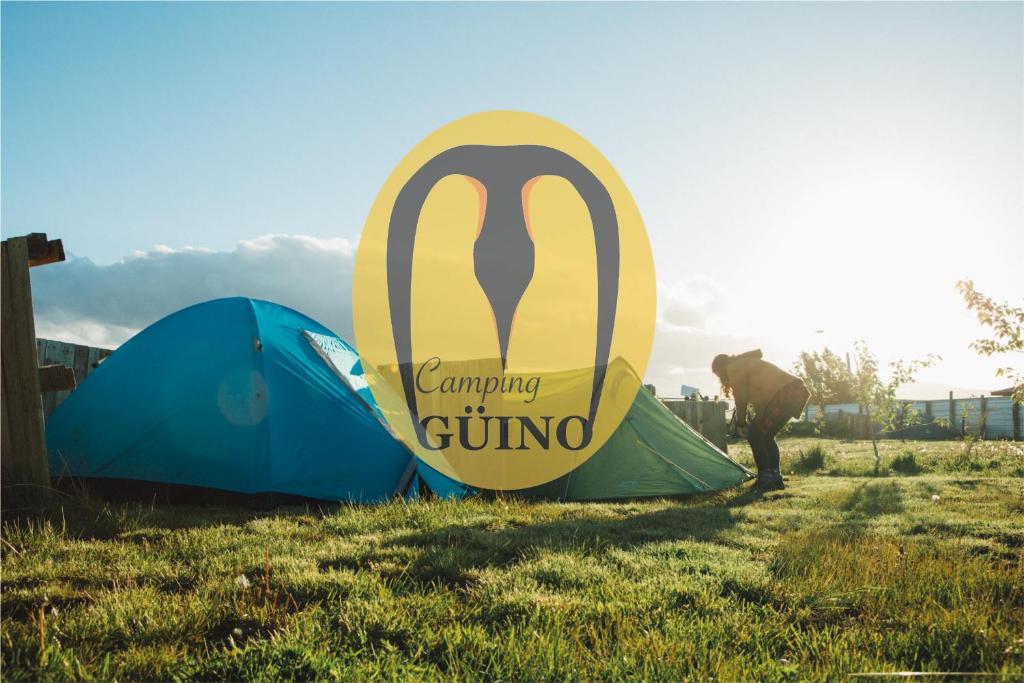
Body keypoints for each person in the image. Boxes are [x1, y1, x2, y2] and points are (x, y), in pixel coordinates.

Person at [711, 349, 809, 491]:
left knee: (755, 434)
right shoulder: (746, 364)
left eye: (717, 373)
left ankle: (765, 479)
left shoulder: (734, 367)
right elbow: (762, 400)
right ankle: (775, 479)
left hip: (786, 392)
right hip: (796, 391)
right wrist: (757, 418)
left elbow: (741, 398)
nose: (719, 376)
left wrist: (741, 422)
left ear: (720, 368)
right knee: (765, 435)